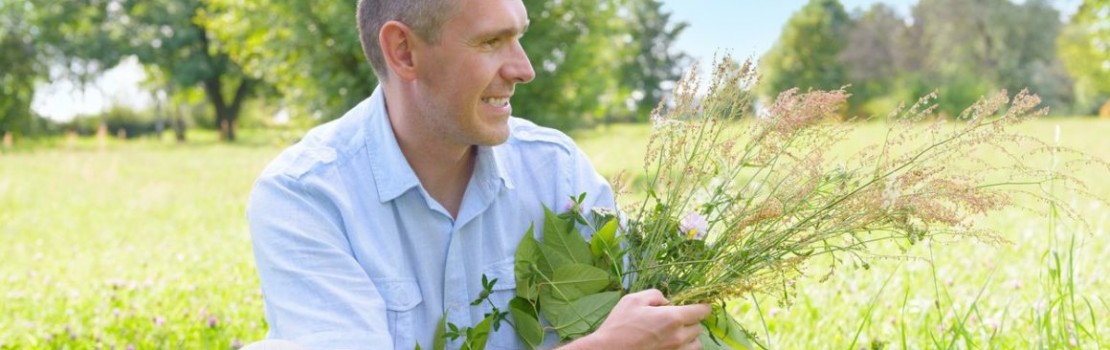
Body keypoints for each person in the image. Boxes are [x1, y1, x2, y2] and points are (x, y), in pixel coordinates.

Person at [246, 0, 710, 348]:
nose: (524, 69)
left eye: (519, 36)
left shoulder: (555, 170)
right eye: (491, 42)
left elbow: (648, 312)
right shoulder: (306, 198)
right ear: (404, 52)